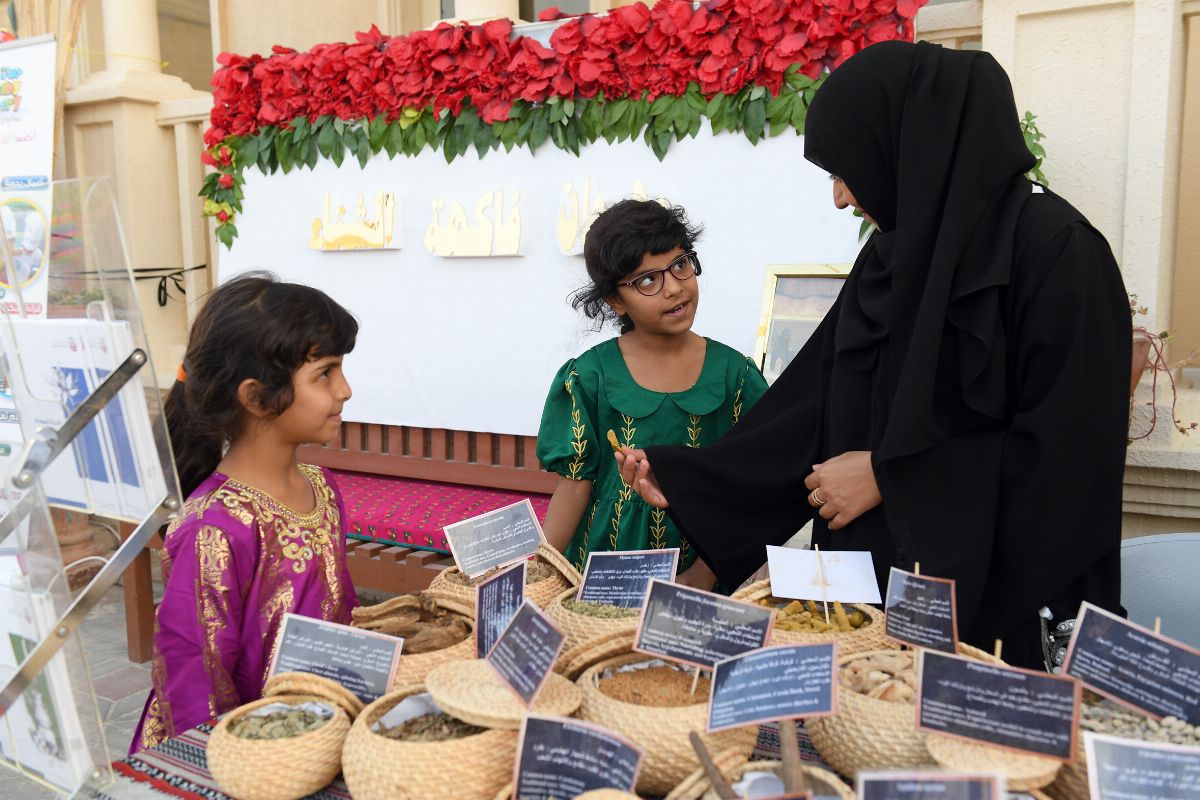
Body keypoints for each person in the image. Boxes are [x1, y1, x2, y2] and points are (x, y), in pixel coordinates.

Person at [617, 41, 1131, 671]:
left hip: (1003, 628)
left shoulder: (1059, 257)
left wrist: (893, 477)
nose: (839, 197)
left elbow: (1070, 464)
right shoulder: (894, 256)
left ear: (906, 144)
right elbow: (813, 406)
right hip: (875, 620)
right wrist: (694, 479)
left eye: (845, 169)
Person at [132, 274, 360, 751]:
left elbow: (341, 611)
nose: (345, 390)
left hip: (313, 734)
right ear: (256, 397)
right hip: (241, 756)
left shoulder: (321, 488)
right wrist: (234, 764)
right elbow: (193, 678)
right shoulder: (213, 527)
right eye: (325, 373)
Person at [537, 200, 768, 589]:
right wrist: (541, 576)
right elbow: (574, 485)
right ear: (614, 299)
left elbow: (752, 484)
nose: (675, 287)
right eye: (647, 280)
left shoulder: (737, 376)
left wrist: (704, 575)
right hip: (605, 567)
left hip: (710, 563)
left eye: (680, 264)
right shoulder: (588, 377)